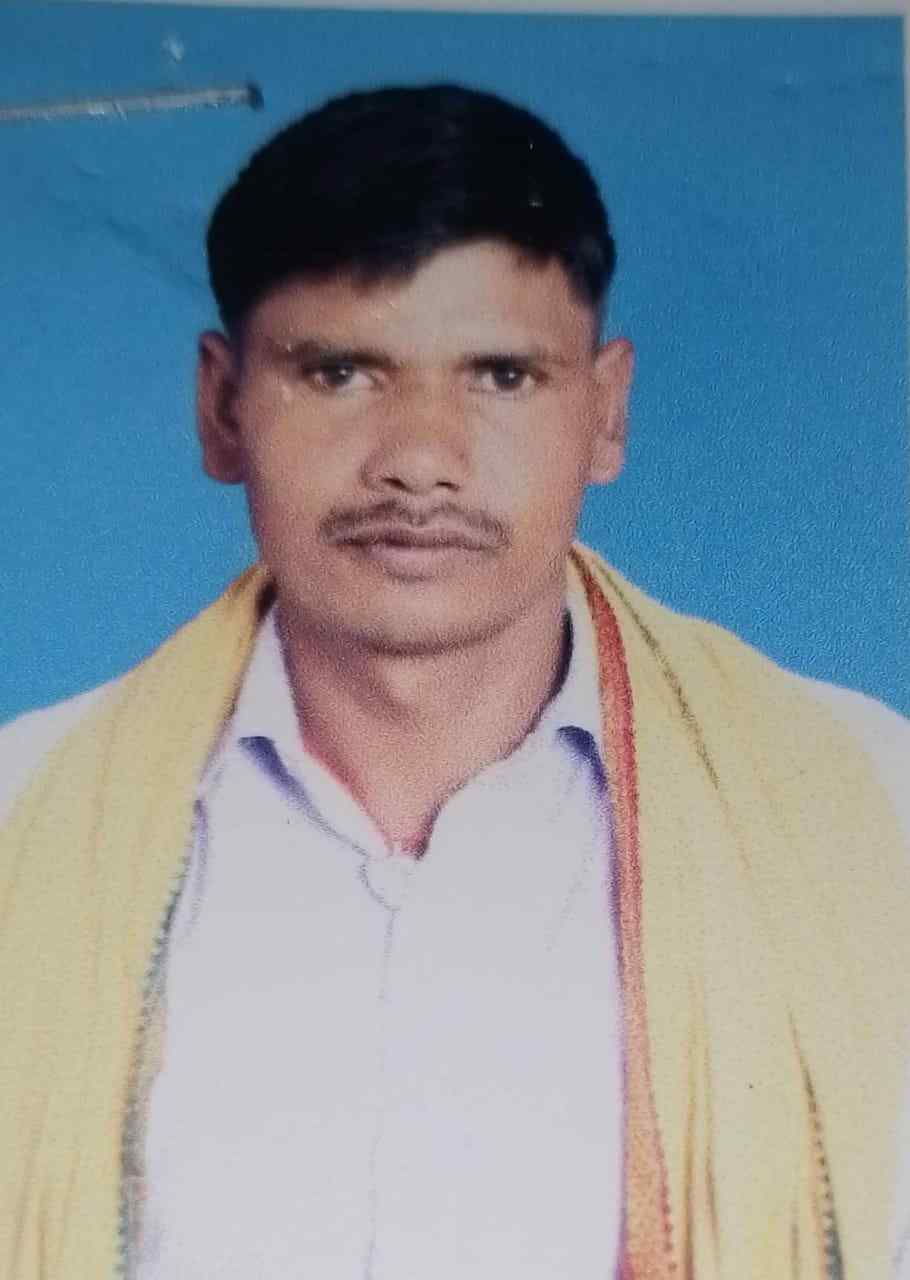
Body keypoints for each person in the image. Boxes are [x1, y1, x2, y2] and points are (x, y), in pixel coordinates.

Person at [1, 83, 908, 1280]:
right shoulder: (22, 815)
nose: (421, 461)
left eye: (501, 376)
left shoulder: (867, 813)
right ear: (221, 408)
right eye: (340, 372)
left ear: (606, 411)